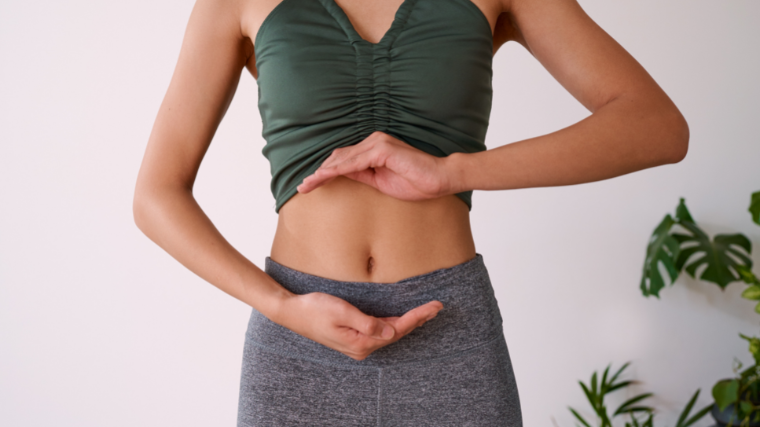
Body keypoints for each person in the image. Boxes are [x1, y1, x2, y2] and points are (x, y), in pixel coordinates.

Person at [132, 0, 688, 424]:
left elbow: (656, 127)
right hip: (298, 340)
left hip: (450, 331)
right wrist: (281, 306)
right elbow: (156, 194)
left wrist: (454, 173)